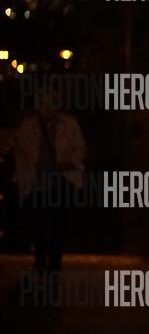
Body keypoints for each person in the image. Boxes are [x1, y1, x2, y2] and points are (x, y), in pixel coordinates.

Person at [14, 88, 86, 273]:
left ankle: (54, 261)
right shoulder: (28, 126)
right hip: (36, 181)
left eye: (50, 103)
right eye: (42, 103)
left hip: (61, 180)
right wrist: (24, 173)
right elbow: (20, 151)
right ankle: (40, 258)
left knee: (59, 223)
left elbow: (79, 148)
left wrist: (69, 163)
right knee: (38, 223)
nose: (46, 108)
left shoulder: (69, 125)